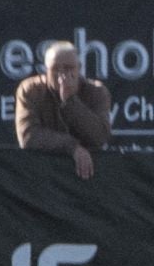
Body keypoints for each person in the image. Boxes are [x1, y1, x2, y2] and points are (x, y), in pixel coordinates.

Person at [15, 42, 112, 181]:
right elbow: (28, 136)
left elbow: (99, 137)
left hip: (85, 176)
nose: (62, 74)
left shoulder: (97, 92)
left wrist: (70, 100)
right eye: (55, 69)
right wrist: (73, 147)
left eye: (68, 68)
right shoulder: (30, 90)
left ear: (79, 68)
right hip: (41, 175)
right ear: (46, 70)